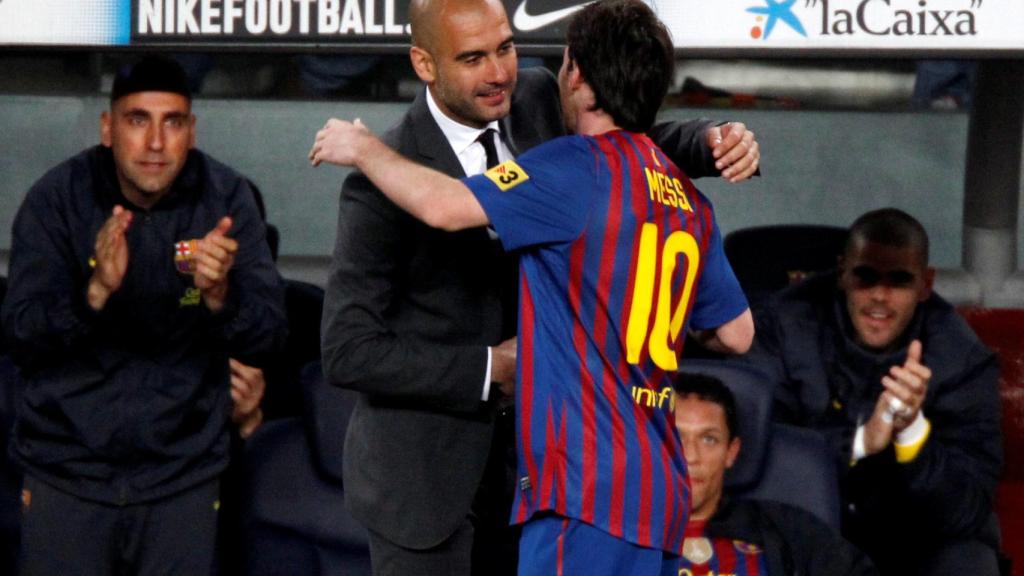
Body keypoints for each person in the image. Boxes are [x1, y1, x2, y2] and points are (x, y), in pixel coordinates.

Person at [316, 0, 760, 573]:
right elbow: (348, 351)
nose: (499, 72)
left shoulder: (539, 104)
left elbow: (620, 137)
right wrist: (491, 369)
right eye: (473, 58)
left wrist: (709, 140)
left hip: (550, 480)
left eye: (505, 47)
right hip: (429, 485)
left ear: (572, 72)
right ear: (424, 63)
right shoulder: (380, 183)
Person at [2, 54, 287, 575]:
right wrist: (95, 291)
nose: (156, 142)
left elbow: (270, 336)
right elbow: (20, 336)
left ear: (191, 131)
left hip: (183, 476)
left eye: (172, 122)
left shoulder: (224, 199)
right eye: (138, 120)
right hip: (67, 473)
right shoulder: (57, 199)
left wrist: (222, 296)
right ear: (108, 128)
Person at [743, 208, 1003, 575]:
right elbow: (756, 451)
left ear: (925, 284)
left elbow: (966, 509)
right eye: (866, 276)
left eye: (899, 280)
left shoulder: (961, 357)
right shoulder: (783, 325)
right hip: (808, 521)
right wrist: (862, 440)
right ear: (842, 273)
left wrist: (912, 433)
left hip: (914, 533)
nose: (880, 295)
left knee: (969, 561)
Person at [673, 372, 878, 576]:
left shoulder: (789, 531)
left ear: (731, 452)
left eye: (709, 439)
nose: (690, 456)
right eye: (676, 437)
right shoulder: (641, 534)